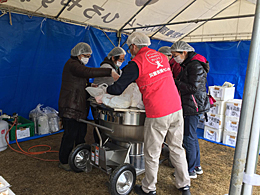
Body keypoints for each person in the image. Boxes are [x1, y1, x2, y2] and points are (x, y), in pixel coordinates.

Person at [104, 32, 191, 195]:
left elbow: (117, 88)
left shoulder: (136, 63)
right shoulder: (162, 57)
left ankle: (148, 188)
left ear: (134, 46)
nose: (130, 51)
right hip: (176, 108)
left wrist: (104, 91)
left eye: (130, 48)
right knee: (177, 148)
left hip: (158, 111)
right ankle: (184, 185)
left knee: (152, 152)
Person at [58, 42, 119, 171]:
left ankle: (79, 157)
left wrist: (91, 86)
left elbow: (79, 81)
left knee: (80, 133)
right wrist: (109, 72)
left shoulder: (77, 65)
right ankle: (64, 161)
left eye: (89, 56)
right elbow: (87, 71)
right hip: (71, 106)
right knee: (70, 135)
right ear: (79, 54)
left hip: (78, 107)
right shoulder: (72, 64)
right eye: (86, 56)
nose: (88, 58)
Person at [171, 41, 210, 179]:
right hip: (192, 104)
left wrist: (175, 82)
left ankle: (190, 169)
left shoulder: (194, 65)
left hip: (192, 105)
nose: (174, 58)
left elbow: (193, 87)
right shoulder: (189, 64)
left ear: (184, 52)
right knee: (192, 136)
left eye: (175, 55)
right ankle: (196, 166)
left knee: (188, 137)